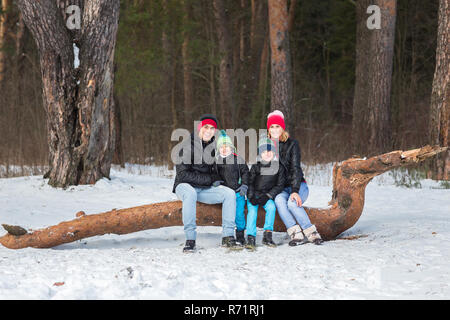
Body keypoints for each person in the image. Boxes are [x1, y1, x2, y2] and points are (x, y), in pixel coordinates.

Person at [173, 114, 240, 252]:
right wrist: (210, 179)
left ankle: (228, 236)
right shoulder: (186, 145)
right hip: (184, 186)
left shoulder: (215, 147)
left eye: (212, 128)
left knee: (229, 194)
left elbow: (218, 171)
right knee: (190, 193)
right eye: (206, 127)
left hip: (204, 189)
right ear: (200, 128)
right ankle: (190, 239)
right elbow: (183, 174)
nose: (209, 131)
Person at [267, 110, 324, 245]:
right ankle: (296, 234)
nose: (275, 129)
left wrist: (295, 190)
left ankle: (312, 233)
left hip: (298, 185)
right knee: (280, 202)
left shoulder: (292, 144)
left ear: (282, 128)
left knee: (292, 204)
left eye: (277, 126)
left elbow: (295, 169)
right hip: (281, 189)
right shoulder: (266, 146)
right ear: (268, 129)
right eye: (272, 127)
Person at [246, 137, 285, 250]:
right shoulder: (256, 166)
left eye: (269, 151)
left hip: (267, 196)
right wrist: (251, 196)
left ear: (274, 152)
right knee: (252, 211)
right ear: (260, 154)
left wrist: (268, 196)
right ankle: (250, 236)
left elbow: (280, 185)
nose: (267, 154)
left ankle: (267, 235)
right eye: (263, 152)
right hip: (254, 195)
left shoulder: (279, 167)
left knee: (271, 208)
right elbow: (250, 183)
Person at [214, 130, 250, 245]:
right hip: (224, 193)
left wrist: (244, 185)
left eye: (227, 147)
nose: (224, 149)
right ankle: (227, 234)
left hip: (237, 191)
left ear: (232, 148)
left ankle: (240, 234)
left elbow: (245, 172)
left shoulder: (238, 160)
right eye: (221, 147)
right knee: (228, 214)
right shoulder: (216, 161)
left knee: (239, 214)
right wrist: (215, 181)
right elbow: (213, 174)